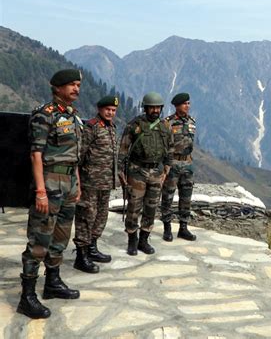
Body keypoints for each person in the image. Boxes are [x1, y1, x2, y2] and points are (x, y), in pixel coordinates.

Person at [17, 69, 83, 319]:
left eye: (78, 85)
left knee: (61, 237)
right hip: (50, 183)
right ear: (57, 88)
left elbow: (74, 154)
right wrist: (41, 191)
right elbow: (36, 154)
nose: (76, 89)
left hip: (69, 184)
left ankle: (52, 283)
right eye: (71, 85)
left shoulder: (73, 116)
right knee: (39, 240)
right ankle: (27, 296)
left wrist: (77, 182)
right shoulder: (45, 115)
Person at [118, 92, 172, 255]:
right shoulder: (134, 125)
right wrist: (121, 172)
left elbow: (170, 149)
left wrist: (166, 169)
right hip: (137, 172)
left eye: (157, 107)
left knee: (151, 207)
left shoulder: (165, 126)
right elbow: (123, 149)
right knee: (134, 206)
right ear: (146, 108)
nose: (155, 110)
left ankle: (144, 239)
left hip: (157, 171)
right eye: (152, 107)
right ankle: (132, 240)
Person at [73, 96, 119, 273]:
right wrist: (78, 179)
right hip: (90, 182)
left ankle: (92, 247)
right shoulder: (91, 127)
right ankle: (81, 255)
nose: (110, 113)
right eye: (107, 109)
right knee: (86, 216)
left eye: (113, 110)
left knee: (101, 215)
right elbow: (80, 154)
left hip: (106, 182)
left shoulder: (112, 128)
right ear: (99, 109)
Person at [160, 92, 197, 242]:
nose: (187, 106)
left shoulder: (192, 121)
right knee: (168, 196)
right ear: (177, 106)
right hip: (173, 163)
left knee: (186, 196)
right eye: (184, 104)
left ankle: (183, 227)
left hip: (187, 163)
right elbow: (163, 145)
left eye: (188, 103)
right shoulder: (168, 123)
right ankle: (167, 227)